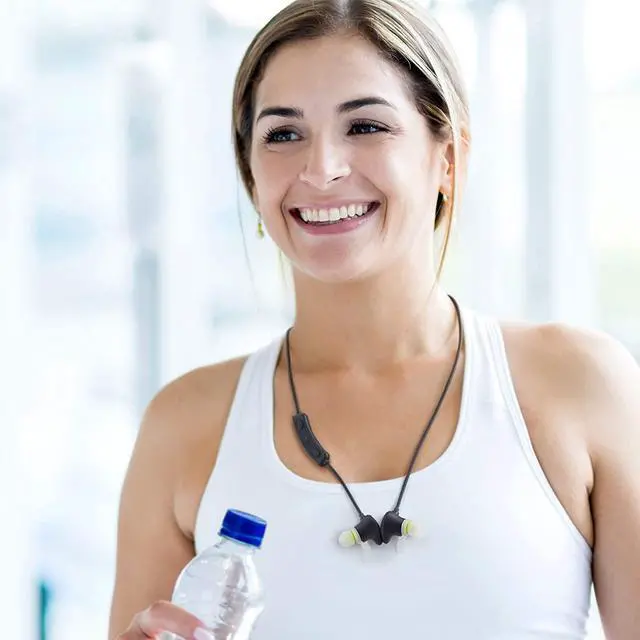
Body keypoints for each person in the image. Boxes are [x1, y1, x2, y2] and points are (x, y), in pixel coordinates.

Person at [108, 0, 640, 638]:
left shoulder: (579, 385)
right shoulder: (183, 426)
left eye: (365, 126)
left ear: (448, 159)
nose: (321, 169)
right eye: (283, 134)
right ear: (251, 175)